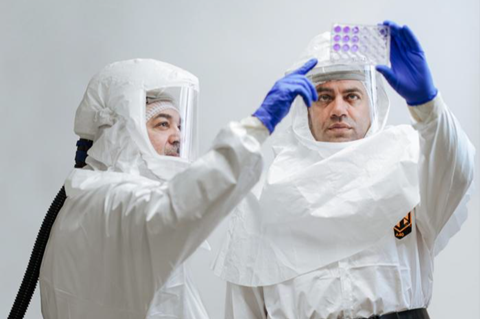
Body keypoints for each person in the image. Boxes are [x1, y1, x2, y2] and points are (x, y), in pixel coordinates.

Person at [214, 21, 475, 318]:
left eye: (351, 95)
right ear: (305, 108)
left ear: (372, 104)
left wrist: (429, 106)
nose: (338, 109)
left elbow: (458, 171)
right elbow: (244, 308)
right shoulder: (264, 199)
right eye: (324, 97)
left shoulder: (407, 164)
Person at [37, 58, 319, 319]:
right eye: (162, 124)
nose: (178, 138)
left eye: (180, 126)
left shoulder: (89, 197)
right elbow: (179, 206)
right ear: (120, 130)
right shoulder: (113, 201)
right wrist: (257, 126)